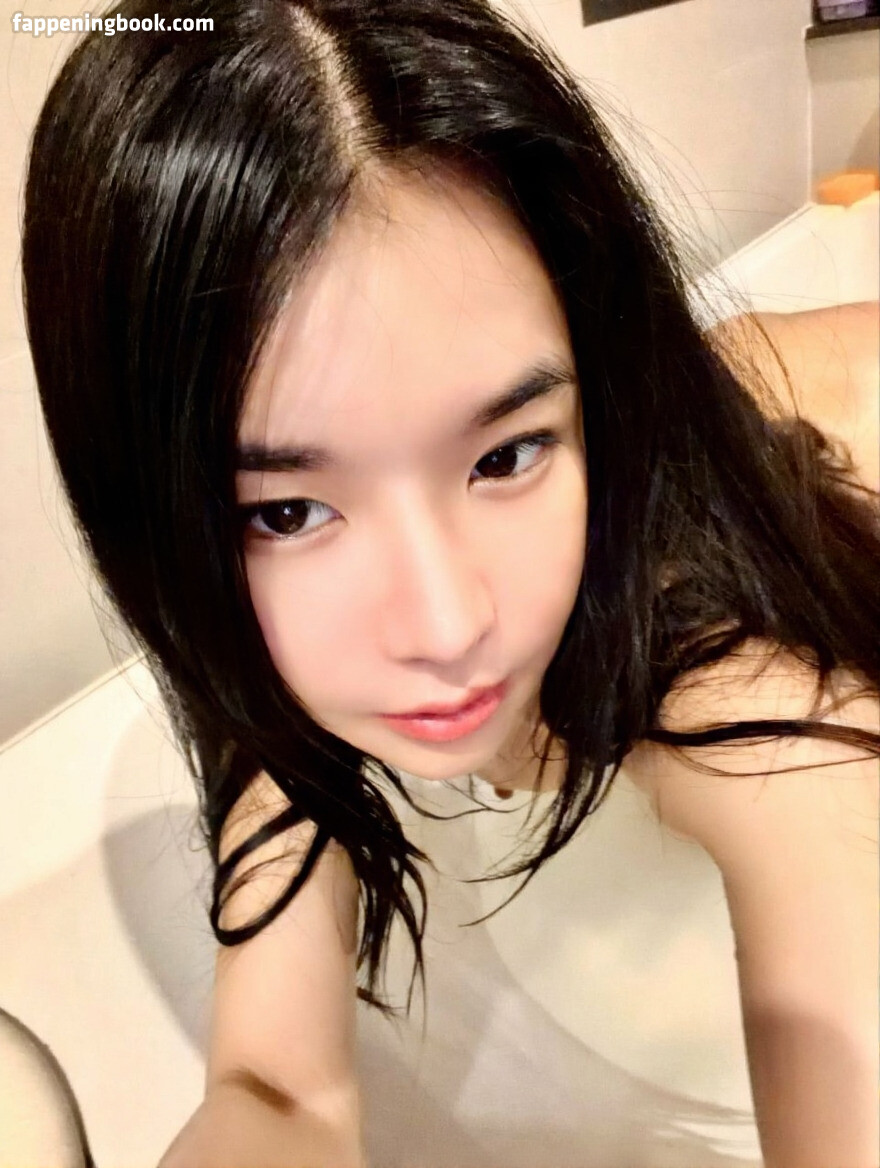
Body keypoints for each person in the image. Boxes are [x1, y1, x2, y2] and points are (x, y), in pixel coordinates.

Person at [20, 0, 878, 1165]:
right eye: (289, 511)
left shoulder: (741, 689)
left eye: (506, 453)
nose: (446, 623)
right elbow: (279, 1089)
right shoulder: (248, 626)